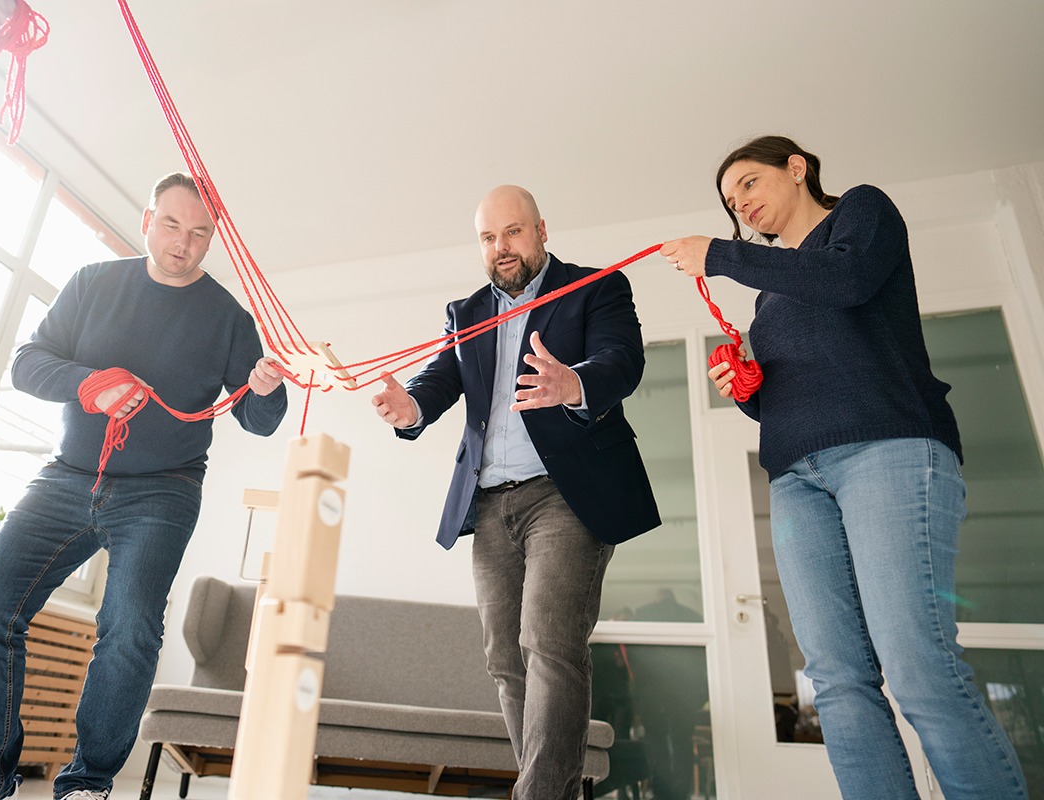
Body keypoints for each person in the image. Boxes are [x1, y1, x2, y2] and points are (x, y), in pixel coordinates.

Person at [661, 135, 1027, 800]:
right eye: (728, 203)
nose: (741, 206)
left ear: (795, 168)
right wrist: (750, 393)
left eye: (747, 184)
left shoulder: (860, 214)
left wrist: (718, 254)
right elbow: (792, 403)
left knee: (918, 668)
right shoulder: (769, 301)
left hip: (885, 450)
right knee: (834, 680)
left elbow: (847, 281)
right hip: (798, 480)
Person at [0, 173, 289, 800]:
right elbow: (26, 364)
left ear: (214, 241)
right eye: (173, 224)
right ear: (149, 217)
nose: (184, 243)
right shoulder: (92, 283)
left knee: (128, 628)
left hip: (163, 491)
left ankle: (88, 785)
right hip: (68, 476)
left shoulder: (229, 319)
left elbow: (260, 423)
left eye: (201, 234)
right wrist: (90, 383)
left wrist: (266, 389)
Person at [372, 184, 661, 800]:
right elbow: (440, 378)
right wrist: (411, 408)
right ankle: (555, 788)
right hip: (489, 501)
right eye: (488, 237)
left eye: (513, 232)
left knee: (548, 643)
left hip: (565, 495)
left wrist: (573, 383)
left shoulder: (593, 288)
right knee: (506, 659)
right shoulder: (468, 311)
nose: (501, 247)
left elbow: (622, 360)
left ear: (541, 230)